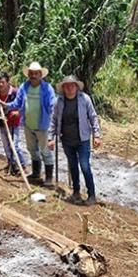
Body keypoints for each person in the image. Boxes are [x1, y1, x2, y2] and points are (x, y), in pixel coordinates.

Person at [48, 75, 102, 206]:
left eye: (72, 85)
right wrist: (51, 138)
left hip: (82, 139)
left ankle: (91, 194)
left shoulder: (85, 99)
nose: (69, 88)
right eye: (67, 85)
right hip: (67, 140)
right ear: (63, 88)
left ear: (77, 87)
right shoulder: (59, 101)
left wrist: (97, 135)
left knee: (85, 166)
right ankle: (76, 192)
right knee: (72, 166)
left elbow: (93, 117)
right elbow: (54, 120)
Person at [2, 62, 56, 186]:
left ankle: (48, 178)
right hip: (28, 125)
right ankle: (36, 174)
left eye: (36, 73)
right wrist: (5, 106)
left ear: (40, 75)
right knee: (32, 149)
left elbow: (53, 105)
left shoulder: (47, 88)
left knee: (45, 151)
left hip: (43, 126)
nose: (33, 76)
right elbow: (17, 103)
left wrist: (56, 123)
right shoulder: (24, 87)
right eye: (31, 73)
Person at [0, 72, 27, 175]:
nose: (0, 85)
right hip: (3, 122)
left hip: (14, 122)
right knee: (6, 146)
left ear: (7, 82)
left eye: (3, 82)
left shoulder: (15, 92)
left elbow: (22, 105)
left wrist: (18, 112)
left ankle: (23, 166)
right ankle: (11, 164)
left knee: (15, 145)